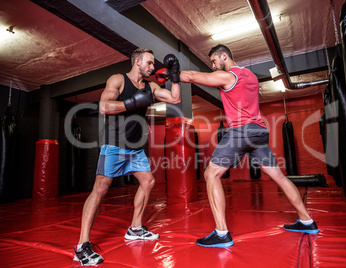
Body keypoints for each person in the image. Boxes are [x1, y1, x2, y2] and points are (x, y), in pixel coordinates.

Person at [175, 44, 319, 247]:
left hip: (241, 131)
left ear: (224, 56)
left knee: (211, 175)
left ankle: (222, 233)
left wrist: (172, 74)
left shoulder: (229, 76)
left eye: (215, 61)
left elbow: (191, 77)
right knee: (279, 176)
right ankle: (307, 220)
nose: (214, 66)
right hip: (259, 131)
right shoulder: (250, 76)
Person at [73, 48, 181, 266]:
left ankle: (135, 228)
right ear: (138, 61)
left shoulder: (150, 86)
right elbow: (103, 107)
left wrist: (176, 75)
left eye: (153, 64)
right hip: (113, 145)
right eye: (149, 63)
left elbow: (175, 98)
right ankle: (81, 246)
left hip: (135, 147)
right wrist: (131, 103)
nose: (152, 67)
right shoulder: (118, 80)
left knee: (148, 182)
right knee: (100, 190)